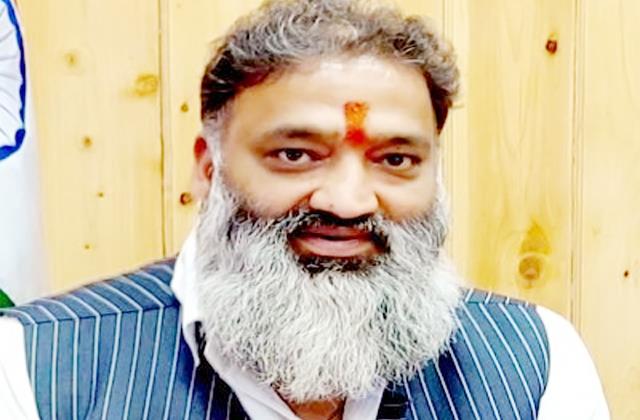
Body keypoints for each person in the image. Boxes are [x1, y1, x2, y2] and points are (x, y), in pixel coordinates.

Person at [0, 0, 609, 419]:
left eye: (396, 159)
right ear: (208, 168)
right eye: (295, 155)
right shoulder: (35, 367)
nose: (347, 201)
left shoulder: (536, 362)